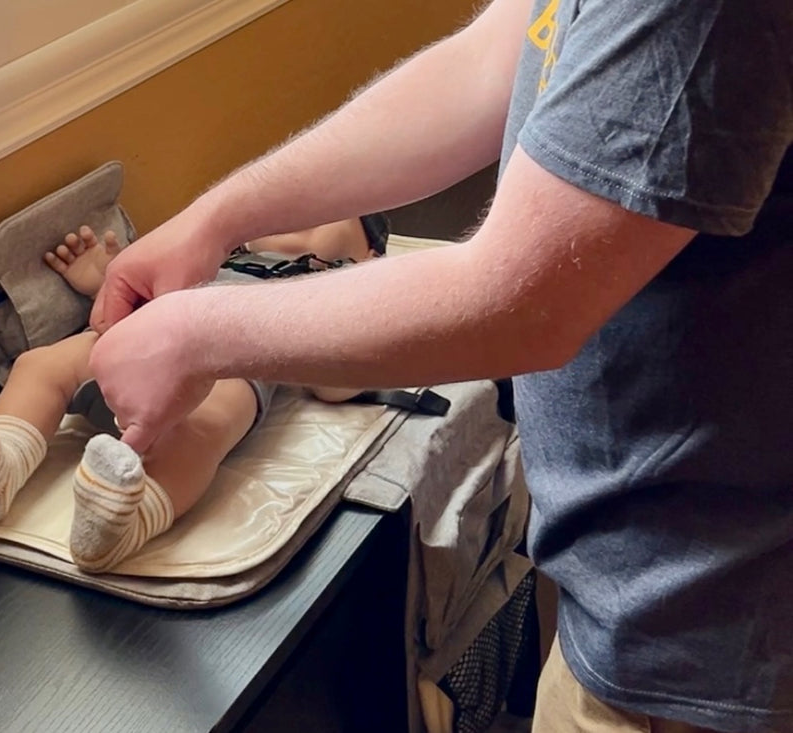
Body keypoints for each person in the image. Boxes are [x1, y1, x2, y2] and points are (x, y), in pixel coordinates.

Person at [83, 1, 792, 732]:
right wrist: (218, 217)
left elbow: (521, 301)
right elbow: (494, 60)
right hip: (654, 594)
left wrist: (194, 334)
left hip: (713, 635)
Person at [0, 217, 383, 573]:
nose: (297, 217)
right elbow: (146, 296)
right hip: (135, 345)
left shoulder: (331, 296)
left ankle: (121, 522)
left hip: (226, 370)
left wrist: (339, 330)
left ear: (370, 256)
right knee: (40, 365)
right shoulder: (214, 263)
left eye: (328, 212)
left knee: (201, 431)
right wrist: (104, 282)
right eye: (284, 211)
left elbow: (337, 386)